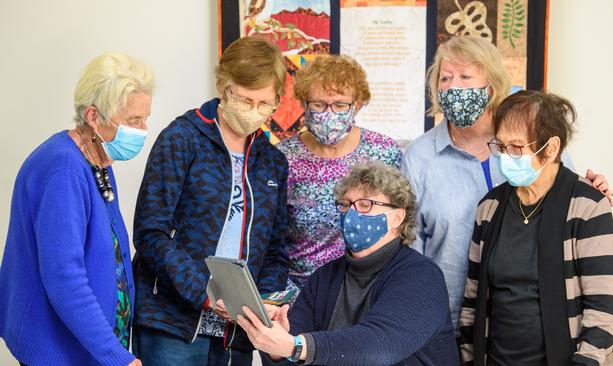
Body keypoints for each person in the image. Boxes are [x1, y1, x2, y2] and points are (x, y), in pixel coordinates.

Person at [401, 35, 613, 331]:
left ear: (491, 85)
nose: (453, 87)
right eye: (445, 78)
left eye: (465, 76)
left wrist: (592, 191)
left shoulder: (528, 138)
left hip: (526, 318)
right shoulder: (419, 156)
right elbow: (410, 247)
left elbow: (566, 196)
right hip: (445, 319)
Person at [131, 36, 289, 366]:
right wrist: (206, 292)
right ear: (223, 86)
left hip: (238, 331)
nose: (254, 112)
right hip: (171, 324)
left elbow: (275, 250)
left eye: (265, 105)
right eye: (245, 100)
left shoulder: (273, 162)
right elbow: (151, 233)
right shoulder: (182, 139)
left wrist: (268, 302)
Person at [0, 52, 154, 366]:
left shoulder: (97, 157)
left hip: (88, 347)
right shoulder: (63, 169)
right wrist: (116, 356)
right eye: (133, 120)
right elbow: (64, 276)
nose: (143, 129)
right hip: (61, 353)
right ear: (93, 116)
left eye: (145, 118)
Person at [237, 163, 458, 366]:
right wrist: (278, 347)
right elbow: (294, 350)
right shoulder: (325, 277)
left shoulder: (421, 276)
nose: (352, 213)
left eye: (365, 204)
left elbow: (380, 346)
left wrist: (296, 346)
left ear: (397, 218)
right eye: (345, 205)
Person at [458, 90, 613, 365]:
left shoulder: (588, 205)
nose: (506, 156)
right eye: (501, 146)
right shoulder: (489, 208)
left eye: (517, 147)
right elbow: (472, 300)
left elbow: (602, 309)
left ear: (551, 149)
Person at [277, 55, 402, 296]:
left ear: (358, 103)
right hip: (297, 292)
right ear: (304, 103)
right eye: (319, 104)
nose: (329, 113)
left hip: (364, 290)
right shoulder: (283, 158)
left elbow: (397, 228)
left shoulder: (383, 152)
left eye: (340, 105)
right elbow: (271, 239)